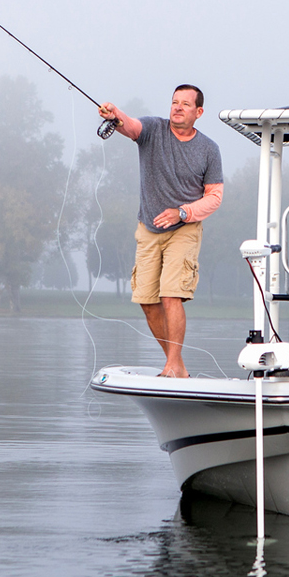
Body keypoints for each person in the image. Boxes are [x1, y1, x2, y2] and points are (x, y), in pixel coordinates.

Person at [98, 86, 224, 378]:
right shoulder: (153, 129)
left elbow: (214, 197)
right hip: (148, 228)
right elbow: (131, 126)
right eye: (174, 103)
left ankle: (171, 365)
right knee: (147, 299)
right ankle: (176, 365)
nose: (178, 108)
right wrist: (115, 114)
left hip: (185, 229)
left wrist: (183, 211)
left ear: (198, 112)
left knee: (171, 295)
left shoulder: (209, 149)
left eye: (185, 104)